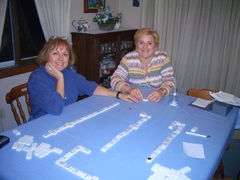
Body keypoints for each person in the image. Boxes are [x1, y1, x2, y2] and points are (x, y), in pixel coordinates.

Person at [28, 36, 135, 120]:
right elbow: (56, 108)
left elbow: (91, 87)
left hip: (67, 120)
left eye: (65, 54)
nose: (61, 58)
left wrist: (118, 94)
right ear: (46, 55)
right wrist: (60, 78)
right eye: (55, 53)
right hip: (43, 125)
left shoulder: (69, 73)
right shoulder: (37, 78)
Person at [110, 28, 176, 103]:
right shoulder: (128, 58)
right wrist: (129, 89)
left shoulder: (162, 57)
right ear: (136, 44)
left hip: (159, 100)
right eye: (141, 42)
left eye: (149, 43)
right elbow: (114, 79)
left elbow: (170, 82)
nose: (145, 47)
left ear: (155, 46)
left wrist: (161, 92)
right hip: (134, 100)